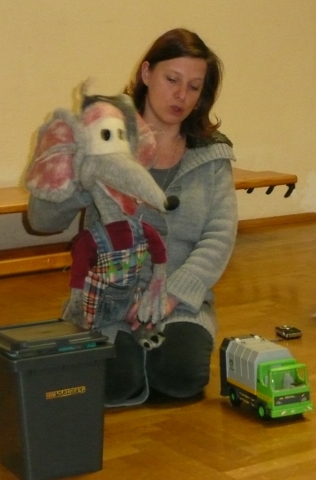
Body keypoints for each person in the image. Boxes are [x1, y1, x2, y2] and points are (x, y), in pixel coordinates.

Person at [28, 28, 237, 406]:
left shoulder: (212, 154)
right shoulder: (105, 137)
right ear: (146, 74)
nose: (181, 96)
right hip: (107, 301)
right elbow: (42, 221)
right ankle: (122, 347)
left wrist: (172, 296)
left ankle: (157, 346)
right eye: (172, 80)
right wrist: (69, 170)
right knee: (114, 384)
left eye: (194, 87)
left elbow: (219, 237)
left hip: (177, 300)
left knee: (180, 379)